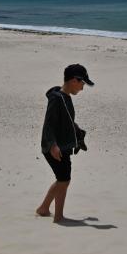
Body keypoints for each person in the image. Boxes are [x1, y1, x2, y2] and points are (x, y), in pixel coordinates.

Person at [36, 63, 94, 223]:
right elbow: (49, 124)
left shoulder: (65, 98)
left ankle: (44, 208)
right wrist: (53, 145)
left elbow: (67, 120)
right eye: (82, 84)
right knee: (64, 180)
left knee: (63, 179)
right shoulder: (57, 98)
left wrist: (76, 131)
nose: (82, 88)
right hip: (55, 148)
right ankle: (58, 216)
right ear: (75, 80)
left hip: (63, 147)